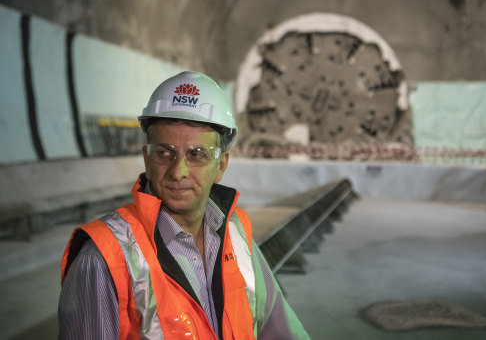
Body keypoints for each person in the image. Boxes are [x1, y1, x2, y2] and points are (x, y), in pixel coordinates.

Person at [59, 71, 310, 339]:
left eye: (197, 154)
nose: (178, 171)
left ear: (221, 166)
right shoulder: (103, 259)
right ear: (147, 158)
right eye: (164, 153)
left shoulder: (237, 235)